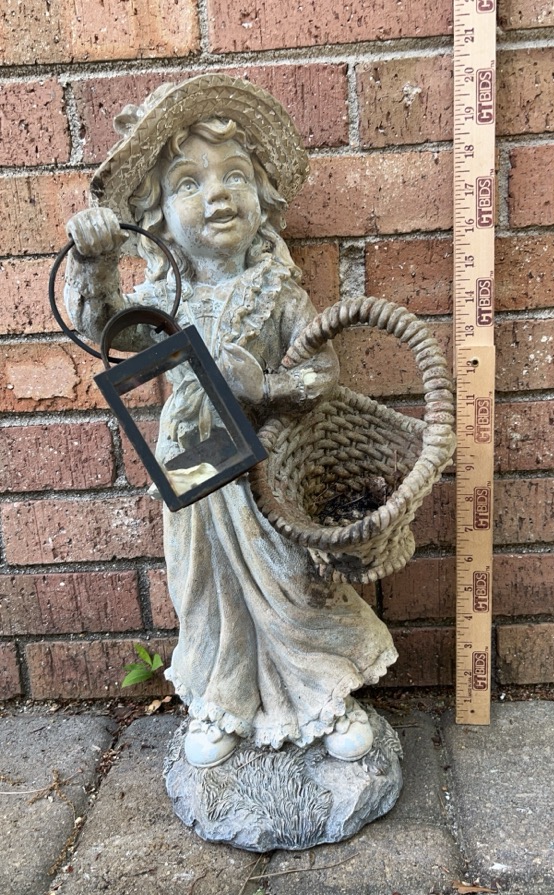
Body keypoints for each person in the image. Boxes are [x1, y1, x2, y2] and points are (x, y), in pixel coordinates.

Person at [64, 74, 398, 769]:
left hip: (268, 468)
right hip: (194, 466)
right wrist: (95, 264)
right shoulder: (164, 298)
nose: (217, 194)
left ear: (263, 199)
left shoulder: (278, 292)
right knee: (207, 589)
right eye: (189, 182)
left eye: (235, 175)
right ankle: (223, 700)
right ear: (158, 216)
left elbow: (322, 372)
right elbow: (105, 329)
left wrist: (269, 385)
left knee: (292, 580)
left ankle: (320, 694)